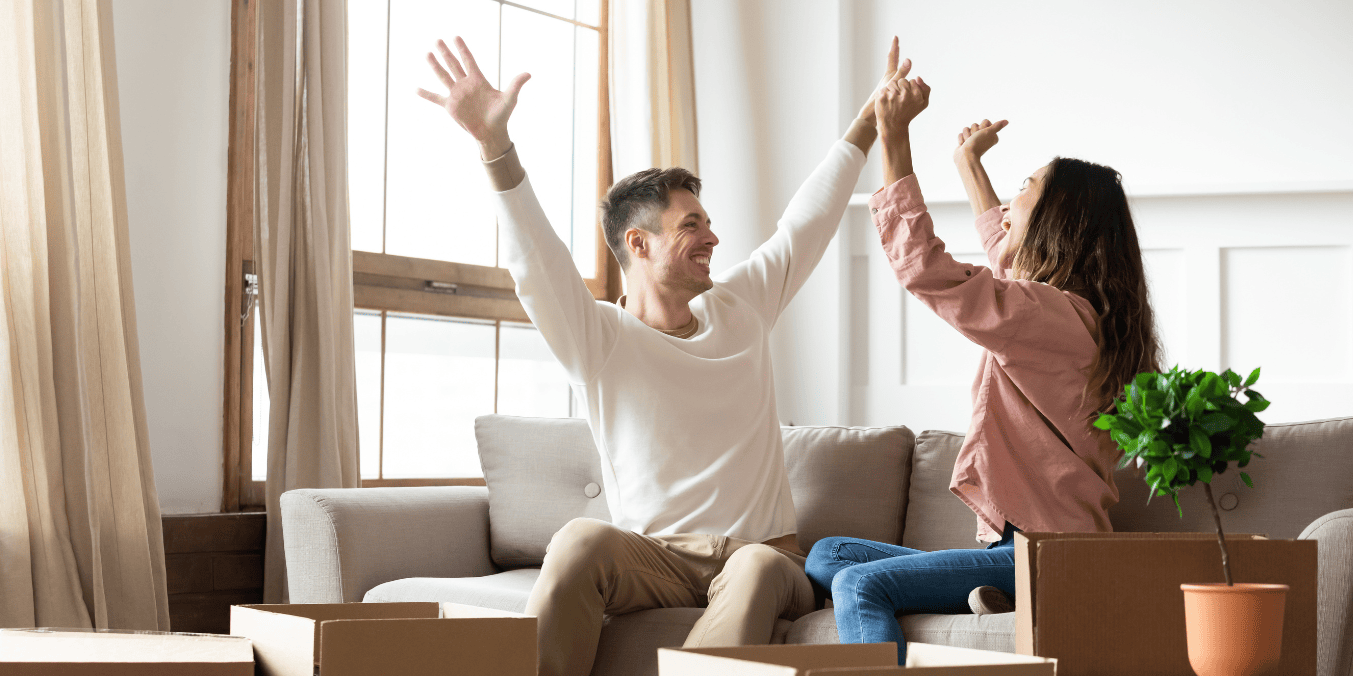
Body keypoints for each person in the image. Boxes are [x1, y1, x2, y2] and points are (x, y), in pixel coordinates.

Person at [417, 36, 911, 676]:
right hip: (659, 559)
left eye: (707, 223)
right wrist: (494, 146)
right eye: (691, 227)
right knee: (578, 539)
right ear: (639, 244)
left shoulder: (741, 307)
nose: (712, 238)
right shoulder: (599, 340)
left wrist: (870, 121)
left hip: (766, 557)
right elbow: (536, 263)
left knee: (758, 565)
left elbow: (806, 223)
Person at [804, 70, 1161, 662]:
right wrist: (969, 164)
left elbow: (928, 270)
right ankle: (986, 590)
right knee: (828, 554)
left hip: (1046, 553)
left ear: (1056, 218)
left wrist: (894, 137)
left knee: (857, 581)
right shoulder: (1070, 310)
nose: (1013, 199)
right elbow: (1006, 255)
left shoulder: (1051, 317)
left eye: (1026, 185)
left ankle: (991, 588)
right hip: (1026, 548)